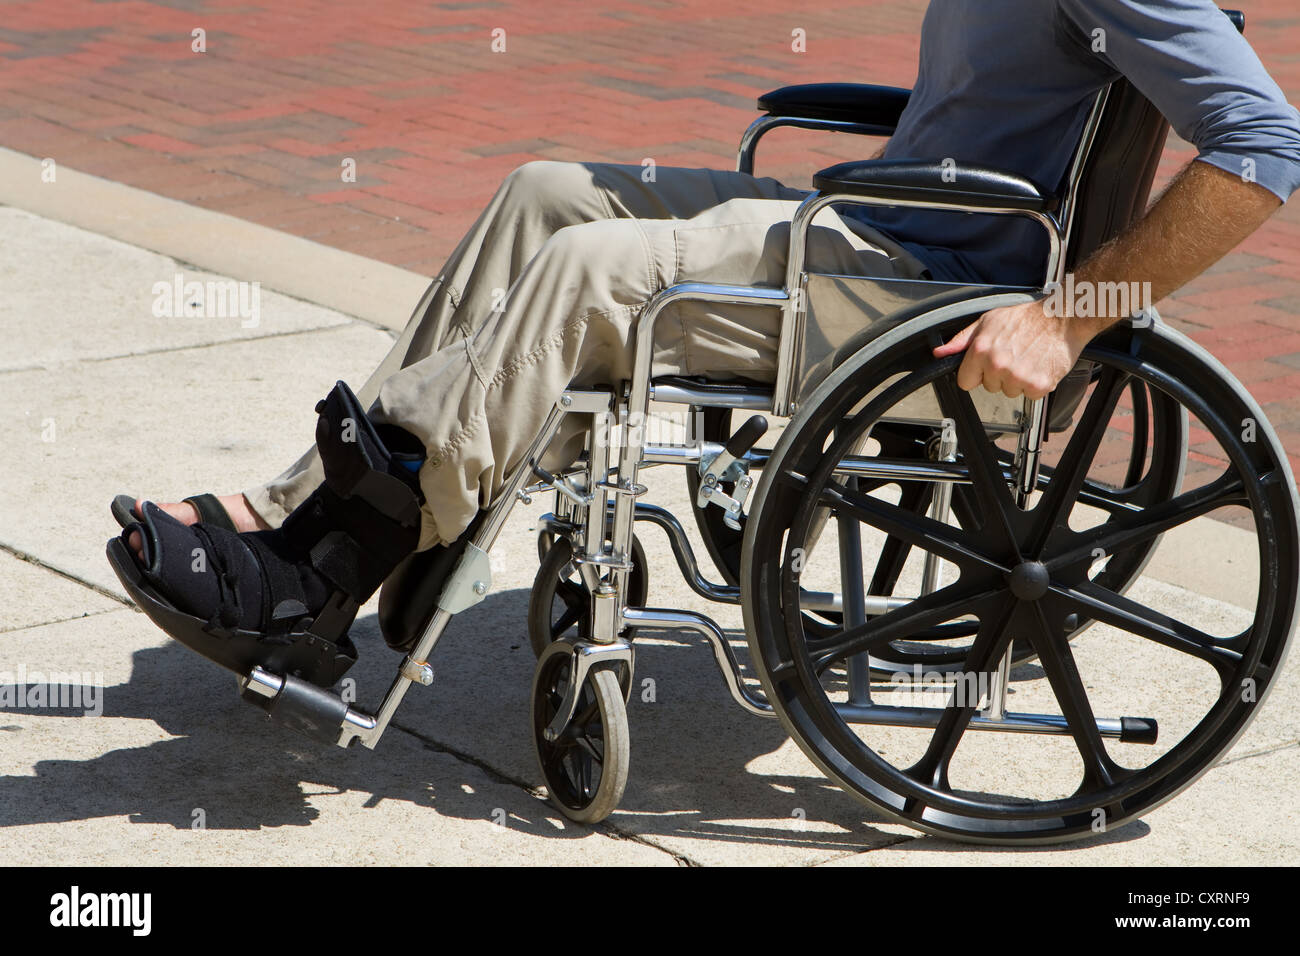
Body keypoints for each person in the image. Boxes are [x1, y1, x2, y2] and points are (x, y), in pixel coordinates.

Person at [108, 0, 1300, 687]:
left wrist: (1067, 317)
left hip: (922, 290)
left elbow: (1262, 147)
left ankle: (334, 555)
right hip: (875, 230)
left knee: (590, 272)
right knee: (546, 193)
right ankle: (329, 496)